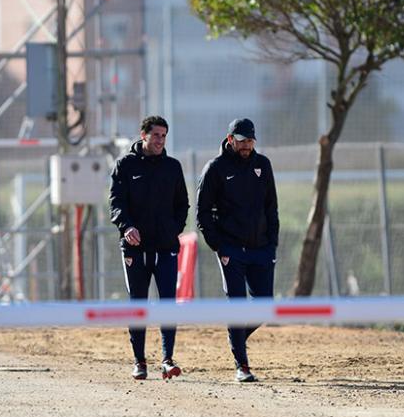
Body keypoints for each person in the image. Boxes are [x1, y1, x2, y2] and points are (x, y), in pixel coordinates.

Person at [196, 118, 279, 383]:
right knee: (237, 305)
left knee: (265, 306)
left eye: (250, 140)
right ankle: (242, 365)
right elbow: (202, 213)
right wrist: (219, 246)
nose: (246, 145)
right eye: (241, 140)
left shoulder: (262, 165)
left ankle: (236, 337)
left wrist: (272, 244)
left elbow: (271, 207)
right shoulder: (215, 168)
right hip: (230, 249)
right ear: (230, 139)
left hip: (261, 249)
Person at [109, 115, 189, 380]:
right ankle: (139, 361)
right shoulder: (125, 165)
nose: (160, 140)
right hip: (135, 250)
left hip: (166, 248)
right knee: (138, 304)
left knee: (168, 303)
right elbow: (116, 203)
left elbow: (182, 205)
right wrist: (127, 227)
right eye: (156, 135)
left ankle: (167, 359)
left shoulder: (173, 167)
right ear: (143, 135)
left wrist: (173, 229)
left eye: (164, 136)